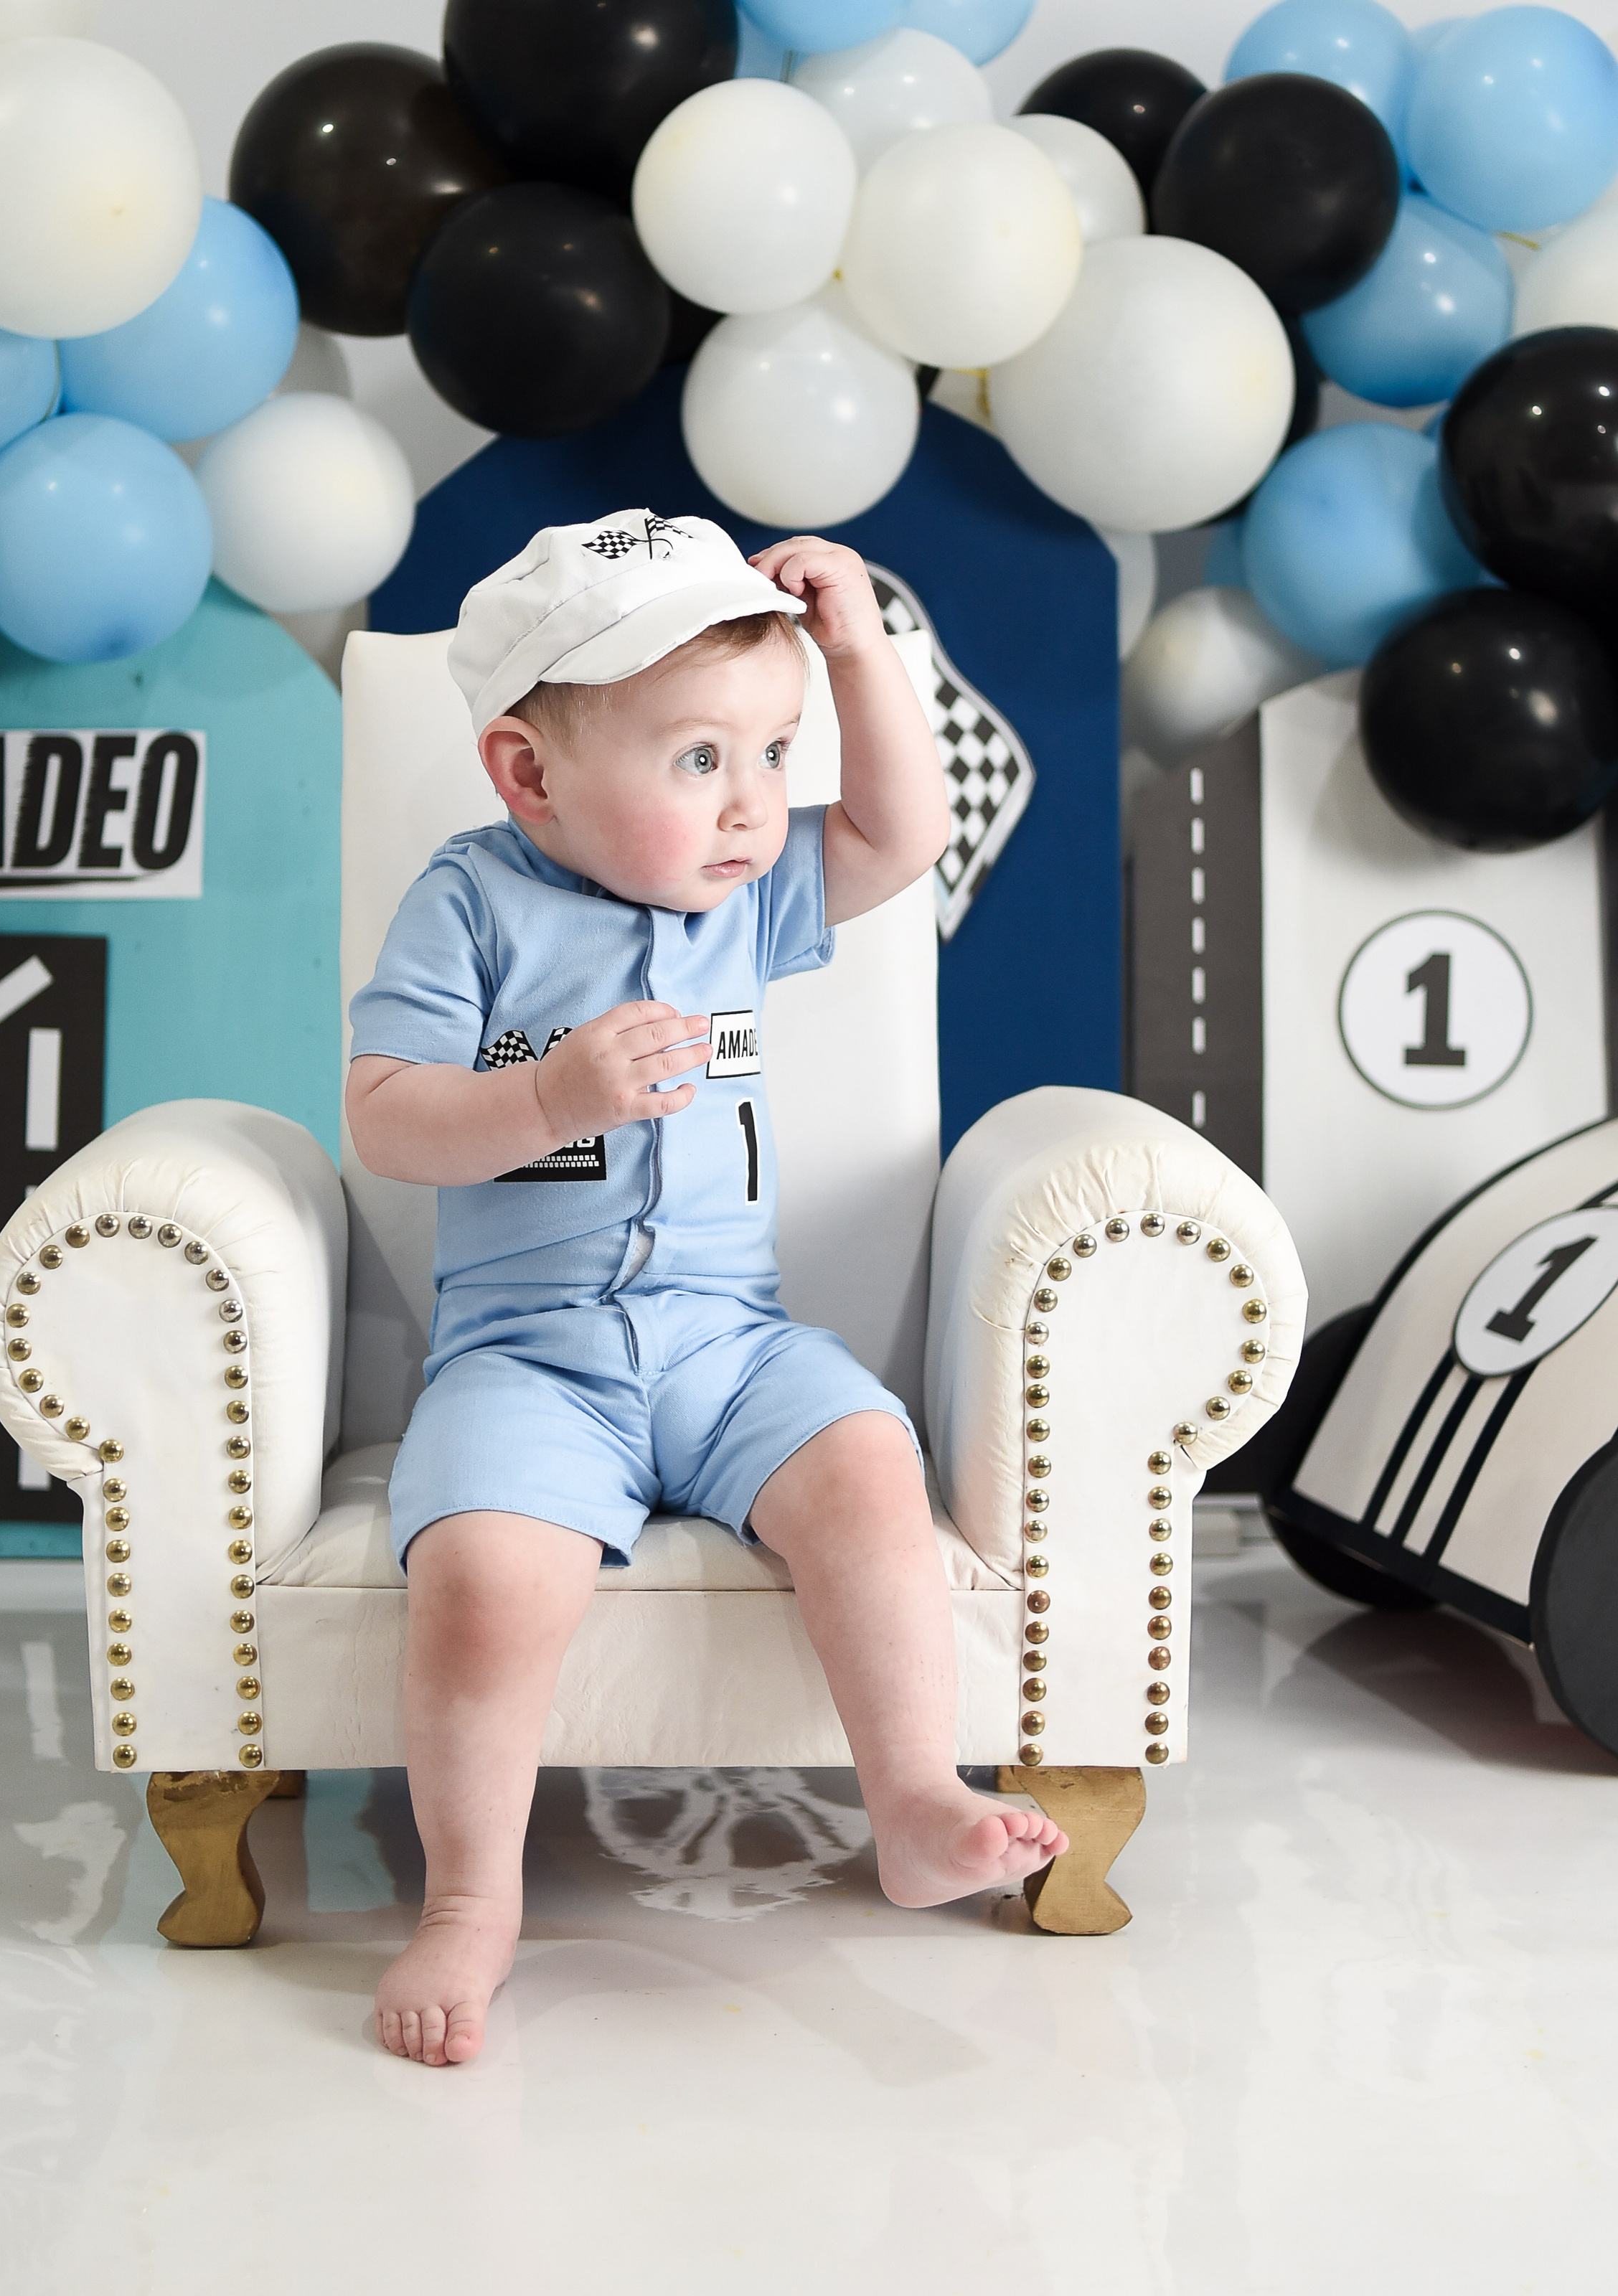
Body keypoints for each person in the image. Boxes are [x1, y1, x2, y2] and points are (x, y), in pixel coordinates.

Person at [347, 511, 1067, 2067]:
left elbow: (899, 830)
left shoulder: (744, 897)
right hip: (525, 1357)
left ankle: (912, 1799)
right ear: (527, 776)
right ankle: (472, 1899)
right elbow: (385, 1110)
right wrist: (545, 1097)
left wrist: (861, 649)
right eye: (698, 761)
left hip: (730, 1342)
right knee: (481, 1578)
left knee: (869, 1466)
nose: (754, 804)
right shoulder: (468, 902)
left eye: (773, 750)